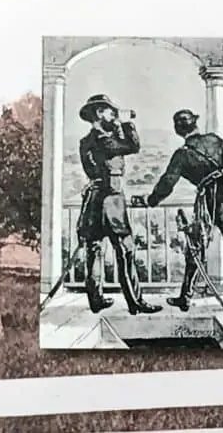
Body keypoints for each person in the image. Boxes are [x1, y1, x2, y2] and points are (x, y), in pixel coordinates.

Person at [131, 109, 223, 312]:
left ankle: (185, 297)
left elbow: (167, 183)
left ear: (178, 131)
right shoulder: (215, 140)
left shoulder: (182, 154)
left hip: (207, 206)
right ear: (196, 124)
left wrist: (150, 201)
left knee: (195, 252)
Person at [76, 94, 163, 315]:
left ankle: (95, 300)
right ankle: (135, 302)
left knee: (94, 251)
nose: (113, 115)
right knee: (125, 250)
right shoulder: (102, 140)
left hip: (94, 199)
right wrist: (125, 122)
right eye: (110, 112)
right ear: (99, 113)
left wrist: (116, 125)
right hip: (111, 199)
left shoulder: (86, 140)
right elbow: (133, 146)